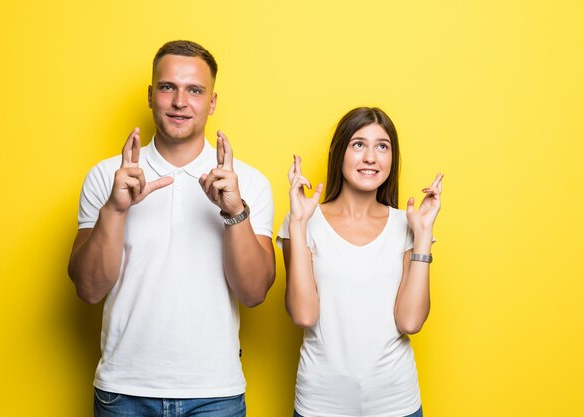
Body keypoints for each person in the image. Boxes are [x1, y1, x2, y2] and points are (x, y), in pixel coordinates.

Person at [68, 40, 275, 417]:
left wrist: (234, 212)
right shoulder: (106, 177)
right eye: (168, 87)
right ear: (151, 96)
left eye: (195, 90)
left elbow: (254, 292)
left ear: (212, 102)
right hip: (124, 392)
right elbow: (88, 289)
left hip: (216, 394)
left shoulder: (249, 182)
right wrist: (115, 210)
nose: (181, 101)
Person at [277, 107, 443, 417]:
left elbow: (410, 322)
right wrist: (298, 225)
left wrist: (423, 236)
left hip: (397, 404)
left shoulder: (407, 223)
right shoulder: (304, 220)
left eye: (382, 146)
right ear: (339, 152)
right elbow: (303, 314)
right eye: (358, 144)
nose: (371, 157)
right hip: (320, 405)